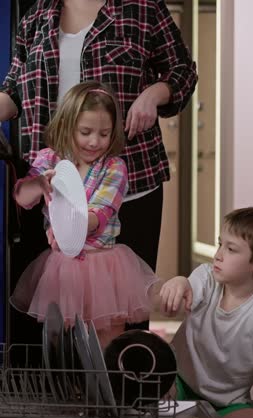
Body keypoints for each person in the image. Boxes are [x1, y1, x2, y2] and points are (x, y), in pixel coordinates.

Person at [0, 0, 197, 333]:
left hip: (130, 178)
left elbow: (182, 72)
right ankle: (56, 387)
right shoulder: (36, 16)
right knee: (53, 317)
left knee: (119, 316)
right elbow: (13, 90)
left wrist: (153, 94)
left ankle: (117, 385)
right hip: (54, 185)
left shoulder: (143, 9)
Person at [9, 80, 161, 349]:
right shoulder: (49, 160)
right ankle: (68, 390)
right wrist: (38, 184)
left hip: (105, 266)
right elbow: (22, 198)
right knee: (61, 345)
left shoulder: (114, 167)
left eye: (104, 134)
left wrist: (69, 228)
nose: (95, 141)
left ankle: (103, 391)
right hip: (62, 267)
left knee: (106, 340)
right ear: (68, 126)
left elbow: (100, 214)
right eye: (86, 131)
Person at [159, 206, 253, 418]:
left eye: (231, 249)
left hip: (229, 405)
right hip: (178, 383)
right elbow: (189, 285)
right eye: (220, 244)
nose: (218, 255)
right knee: (138, 409)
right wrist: (178, 282)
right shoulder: (207, 278)